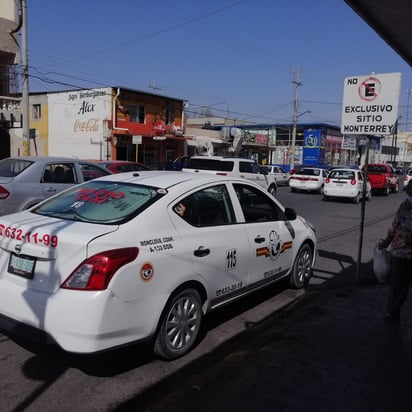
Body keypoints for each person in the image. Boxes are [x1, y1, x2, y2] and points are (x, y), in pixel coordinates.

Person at [379, 179, 412, 321]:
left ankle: (392, 312)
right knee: (399, 285)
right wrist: (385, 243)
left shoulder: (404, 205)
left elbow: (394, 228)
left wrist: (386, 243)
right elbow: (394, 228)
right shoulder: (404, 206)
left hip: (401, 252)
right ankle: (392, 312)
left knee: (399, 285)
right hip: (400, 253)